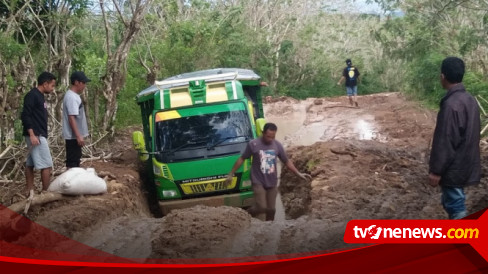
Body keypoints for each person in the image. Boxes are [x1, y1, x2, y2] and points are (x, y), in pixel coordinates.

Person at [428, 57, 481, 220]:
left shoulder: (451, 105)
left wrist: (436, 170)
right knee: (454, 202)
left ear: (443, 76)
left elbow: (446, 141)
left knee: (456, 206)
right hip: (467, 161)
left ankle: (462, 240)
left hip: (454, 167)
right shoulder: (470, 100)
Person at [225, 123, 312, 221]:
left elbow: (286, 161)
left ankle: (269, 229)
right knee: (262, 207)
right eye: (268, 136)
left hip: (272, 181)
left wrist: (298, 173)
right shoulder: (253, 144)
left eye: (273, 136)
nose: (270, 139)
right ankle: (245, 215)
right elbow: (242, 158)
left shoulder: (277, 145)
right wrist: (231, 174)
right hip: (258, 180)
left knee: (271, 210)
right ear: (263, 133)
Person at [21, 72, 57, 193]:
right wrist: (32, 134)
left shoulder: (40, 96)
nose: (53, 89)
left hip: (37, 134)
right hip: (36, 135)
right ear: (45, 83)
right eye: (52, 85)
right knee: (46, 164)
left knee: (30, 163)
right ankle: (46, 192)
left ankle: (29, 189)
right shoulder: (32, 95)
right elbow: (25, 115)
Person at [62, 71, 90, 168]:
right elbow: (71, 117)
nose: (84, 85)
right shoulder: (72, 97)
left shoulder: (73, 96)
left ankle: (73, 181)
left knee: (75, 159)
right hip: (73, 136)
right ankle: (71, 181)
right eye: (83, 83)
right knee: (73, 161)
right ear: (77, 82)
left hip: (74, 136)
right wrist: (78, 136)